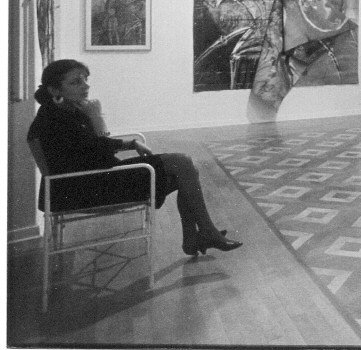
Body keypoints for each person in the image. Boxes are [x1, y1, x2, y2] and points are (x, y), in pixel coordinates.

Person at [28, 59, 242, 256]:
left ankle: (195, 237)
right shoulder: (55, 120)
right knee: (182, 164)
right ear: (55, 89)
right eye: (76, 82)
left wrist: (129, 143)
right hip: (86, 189)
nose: (86, 86)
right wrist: (97, 117)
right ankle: (204, 233)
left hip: (90, 182)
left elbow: (93, 148)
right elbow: (102, 153)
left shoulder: (62, 111)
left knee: (185, 172)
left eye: (85, 79)